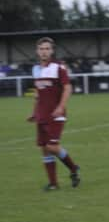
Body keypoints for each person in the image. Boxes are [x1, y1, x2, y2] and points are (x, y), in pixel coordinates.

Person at [27, 37, 80, 191]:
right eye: (41, 49)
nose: (44, 51)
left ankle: (73, 168)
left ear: (52, 51)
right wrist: (34, 112)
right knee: (44, 148)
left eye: (47, 49)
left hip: (56, 114)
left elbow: (67, 88)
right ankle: (53, 183)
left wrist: (61, 107)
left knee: (52, 146)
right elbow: (39, 93)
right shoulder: (35, 69)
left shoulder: (59, 67)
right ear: (37, 51)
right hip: (41, 115)